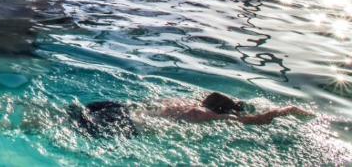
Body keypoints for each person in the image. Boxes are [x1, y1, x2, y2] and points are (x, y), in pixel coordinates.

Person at [70, 91, 314, 138]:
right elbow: (256, 121)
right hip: (129, 122)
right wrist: (288, 110)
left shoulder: (183, 102)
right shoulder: (207, 115)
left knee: (66, 117)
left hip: (120, 106)